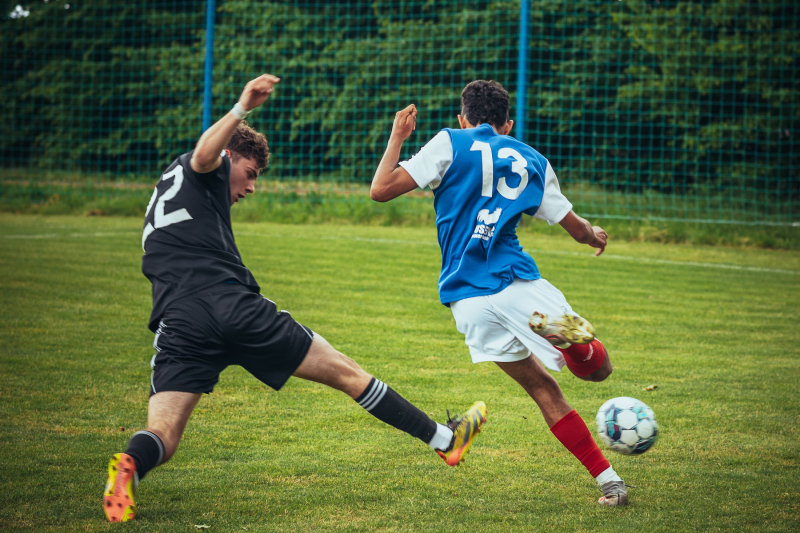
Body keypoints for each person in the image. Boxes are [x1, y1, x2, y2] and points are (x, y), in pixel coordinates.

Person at [103, 74, 487, 523]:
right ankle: (445, 440)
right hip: (232, 307)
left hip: (180, 323)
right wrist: (242, 107)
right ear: (229, 157)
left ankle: (130, 466)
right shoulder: (204, 164)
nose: (251, 187)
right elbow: (206, 154)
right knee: (347, 372)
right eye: (250, 174)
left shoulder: (171, 189)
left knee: (163, 434)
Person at [370, 80, 628, 506]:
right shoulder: (531, 159)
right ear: (507, 124)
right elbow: (575, 226)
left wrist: (398, 135)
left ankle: (610, 483)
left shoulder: (449, 142)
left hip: (466, 299)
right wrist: (593, 235)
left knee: (543, 390)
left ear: (462, 119)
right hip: (517, 283)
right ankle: (576, 348)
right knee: (599, 371)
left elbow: (380, 190)